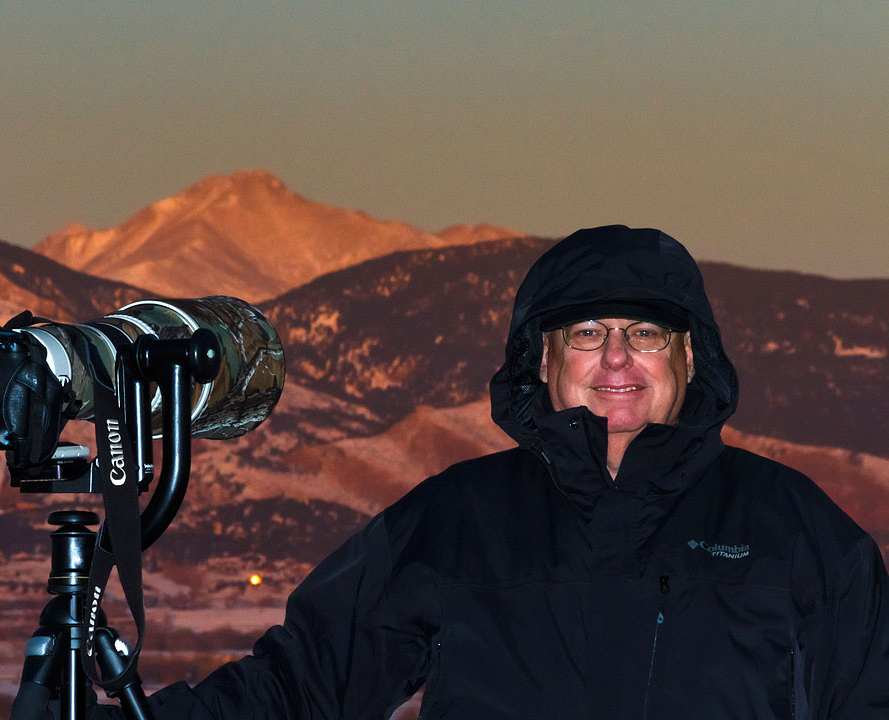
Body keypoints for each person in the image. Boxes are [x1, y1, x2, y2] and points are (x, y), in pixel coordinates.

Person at [118, 226, 889, 718]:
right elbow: (303, 686)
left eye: (645, 332)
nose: (616, 357)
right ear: (543, 361)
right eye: (586, 332)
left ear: (688, 358)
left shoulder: (794, 529)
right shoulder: (459, 521)